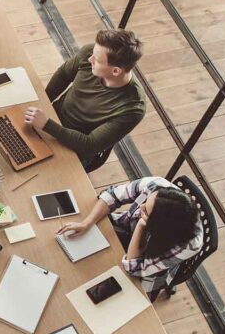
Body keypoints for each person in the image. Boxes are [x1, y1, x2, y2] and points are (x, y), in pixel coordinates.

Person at [23, 29, 145, 173]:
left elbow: (89, 145)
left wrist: (47, 125)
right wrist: (43, 103)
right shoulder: (90, 53)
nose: (90, 59)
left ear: (116, 71)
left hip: (74, 149)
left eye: (97, 60)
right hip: (49, 119)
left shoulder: (132, 108)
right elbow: (64, 74)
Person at [58, 177, 202, 292]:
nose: (140, 207)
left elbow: (134, 268)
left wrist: (140, 225)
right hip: (124, 230)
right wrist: (86, 223)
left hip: (149, 268)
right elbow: (112, 195)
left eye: (146, 210)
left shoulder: (187, 245)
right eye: (146, 201)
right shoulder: (156, 186)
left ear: (158, 225)